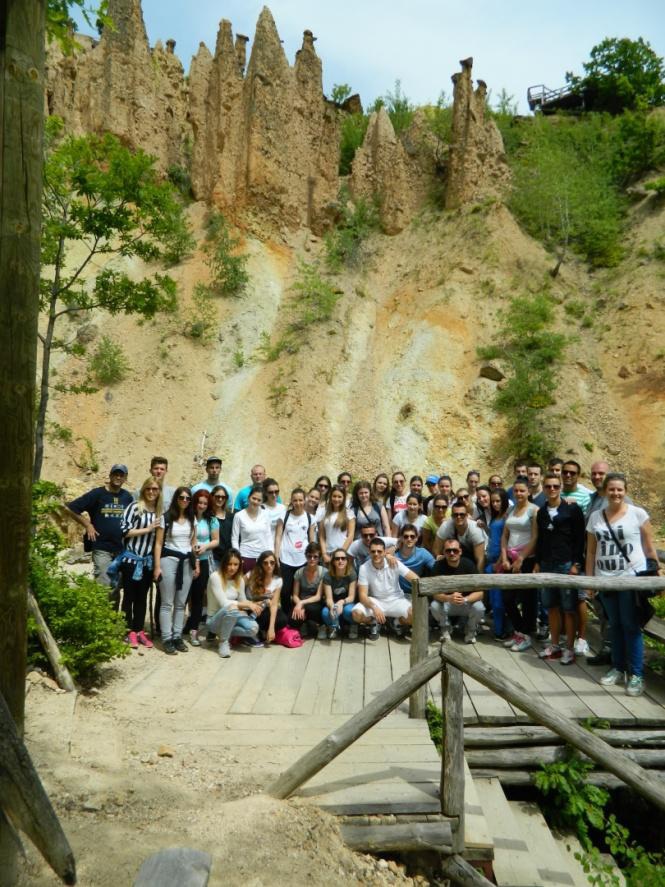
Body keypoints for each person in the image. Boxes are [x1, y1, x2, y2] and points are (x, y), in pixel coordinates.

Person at [586, 473, 659, 697]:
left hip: (630, 577)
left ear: (625, 491)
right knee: (613, 625)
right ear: (605, 491)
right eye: (612, 490)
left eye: (620, 490)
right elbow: (590, 551)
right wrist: (590, 580)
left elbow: (649, 547)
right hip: (605, 578)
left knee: (631, 626)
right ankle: (618, 667)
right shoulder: (596, 517)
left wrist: (657, 571)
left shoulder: (637, 514)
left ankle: (636, 674)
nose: (616, 493)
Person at [64, 463, 134, 608]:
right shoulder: (97, 494)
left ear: (125, 478)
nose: (118, 477)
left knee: (115, 586)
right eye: (116, 474)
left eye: (121, 475)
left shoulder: (127, 497)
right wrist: (88, 525)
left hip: (121, 549)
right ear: (110, 475)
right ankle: (100, 618)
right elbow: (72, 508)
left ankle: (113, 621)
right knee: (104, 584)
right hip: (102, 547)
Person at [535, 473, 586, 665]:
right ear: (544, 488)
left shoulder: (572, 510)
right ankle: (555, 645)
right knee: (551, 607)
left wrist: (576, 564)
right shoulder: (541, 512)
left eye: (555, 486)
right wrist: (538, 562)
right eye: (548, 486)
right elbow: (540, 539)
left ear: (560, 487)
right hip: (547, 564)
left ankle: (570, 648)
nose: (552, 490)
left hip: (566, 564)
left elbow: (580, 539)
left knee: (569, 608)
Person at [153, 486, 198, 655]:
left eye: (187, 498)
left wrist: (197, 564)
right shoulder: (166, 518)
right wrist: (157, 567)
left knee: (181, 603)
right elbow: (158, 543)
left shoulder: (192, 519)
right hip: (168, 561)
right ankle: (166, 637)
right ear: (176, 499)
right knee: (167, 602)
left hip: (186, 562)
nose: (185, 501)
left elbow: (193, 544)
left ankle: (177, 636)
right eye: (182, 497)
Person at [118, 477, 161, 649]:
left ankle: (139, 629)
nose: (151, 492)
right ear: (144, 490)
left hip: (147, 563)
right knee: (129, 596)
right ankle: (127, 630)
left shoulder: (159, 512)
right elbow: (124, 531)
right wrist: (148, 529)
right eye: (149, 488)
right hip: (131, 560)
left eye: (155, 489)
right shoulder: (135, 507)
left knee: (142, 598)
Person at [499, 476, 538, 653]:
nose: (519, 493)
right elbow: (504, 535)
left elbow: (536, 537)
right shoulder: (511, 510)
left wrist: (521, 559)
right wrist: (505, 558)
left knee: (527, 598)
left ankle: (526, 634)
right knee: (507, 598)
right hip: (510, 557)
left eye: (522, 490)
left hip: (527, 559)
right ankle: (519, 631)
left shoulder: (534, 511)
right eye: (516, 490)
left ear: (529, 491)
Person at [352, 538, 417, 639]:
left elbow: (415, 579)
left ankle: (396, 622)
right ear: (369, 552)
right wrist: (374, 607)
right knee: (356, 614)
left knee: (416, 614)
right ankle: (374, 622)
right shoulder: (364, 568)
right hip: (376, 600)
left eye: (379, 551)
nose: (376, 554)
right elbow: (362, 595)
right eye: (373, 551)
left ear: (384, 552)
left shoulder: (394, 562)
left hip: (396, 599)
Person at [206, 548, 263, 656]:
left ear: (239, 565)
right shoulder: (215, 577)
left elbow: (243, 601)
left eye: (236, 564)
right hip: (214, 619)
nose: (232, 568)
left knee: (253, 629)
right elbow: (224, 603)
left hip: (232, 617)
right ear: (224, 564)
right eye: (229, 564)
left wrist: (254, 604)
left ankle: (224, 633)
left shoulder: (239, 580)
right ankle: (223, 642)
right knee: (232, 608)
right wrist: (247, 604)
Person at [184, 490, 219, 646]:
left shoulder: (211, 520)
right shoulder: (186, 517)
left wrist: (205, 547)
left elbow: (216, 540)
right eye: (200, 502)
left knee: (198, 597)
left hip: (203, 561)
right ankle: (181, 625)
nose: (202, 506)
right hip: (186, 560)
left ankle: (193, 630)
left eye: (205, 503)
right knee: (183, 596)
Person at [431, 541, 485, 643]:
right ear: (444, 552)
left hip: (466, 602)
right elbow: (434, 593)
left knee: (479, 607)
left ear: (460, 551)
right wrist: (448, 598)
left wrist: (465, 599)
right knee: (434, 606)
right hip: (447, 603)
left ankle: (470, 631)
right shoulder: (438, 566)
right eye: (448, 550)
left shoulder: (469, 564)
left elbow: (480, 593)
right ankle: (445, 629)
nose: (452, 553)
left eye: (455, 550)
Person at [274, 488, 315, 611]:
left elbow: (312, 539)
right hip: (286, 559)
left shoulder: (310, 518)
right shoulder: (284, 516)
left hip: (303, 560)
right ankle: (287, 617)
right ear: (291, 501)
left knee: (302, 592)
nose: (298, 503)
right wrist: (276, 556)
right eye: (295, 500)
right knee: (285, 591)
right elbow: (278, 536)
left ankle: (300, 617)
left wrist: (312, 558)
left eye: (300, 500)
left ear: (305, 500)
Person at [245, 551, 288, 645]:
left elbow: (274, 604)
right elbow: (238, 589)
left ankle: (263, 631)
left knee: (282, 619)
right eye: (265, 563)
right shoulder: (250, 575)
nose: (269, 565)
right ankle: (253, 631)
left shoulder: (278, 580)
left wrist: (271, 628)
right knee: (261, 613)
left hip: (266, 608)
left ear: (275, 564)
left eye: (272, 562)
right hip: (250, 608)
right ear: (261, 564)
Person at [484, 488, 510, 639]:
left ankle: (501, 631)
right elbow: (494, 536)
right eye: (493, 501)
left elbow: (505, 541)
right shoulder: (496, 516)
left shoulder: (507, 517)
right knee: (493, 599)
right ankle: (499, 629)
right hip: (491, 560)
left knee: (499, 600)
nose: (494, 504)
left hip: (499, 563)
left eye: (498, 501)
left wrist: (500, 561)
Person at [433, 502, 486, 571]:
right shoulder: (446, 526)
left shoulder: (475, 529)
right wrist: (440, 558)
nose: (459, 517)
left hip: (482, 553)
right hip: (459, 554)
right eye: (456, 515)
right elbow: (436, 550)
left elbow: (480, 559)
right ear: (452, 516)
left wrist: (478, 578)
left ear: (467, 515)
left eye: (462, 514)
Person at [231, 484, 273, 572]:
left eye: (259, 500)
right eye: (254, 498)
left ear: (262, 502)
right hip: (246, 557)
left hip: (263, 557)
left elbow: (269, 536)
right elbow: (234, 538)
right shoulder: (239, 516)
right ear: (249, 497)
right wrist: (238, 557)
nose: (256, 502)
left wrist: (271, 555)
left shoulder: (266, 514)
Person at [290, 542, 326, 638]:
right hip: (301, 601)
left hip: (316, 603)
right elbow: (295, 595)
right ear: (306, 556)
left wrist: (302, 604)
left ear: (319, 558)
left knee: (312, 609)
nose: (312, 559)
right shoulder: (299, 572)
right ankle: (304, 624)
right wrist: (299, 604)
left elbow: (318, 596)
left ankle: (322, 626)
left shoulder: (323, 572)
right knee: (293, 618)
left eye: (315, 557)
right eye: (309, 556)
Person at [322, 548, 358, 638]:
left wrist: (341, 602)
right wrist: (332, 606)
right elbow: (329, 598)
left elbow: (351, 597)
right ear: (333, 561)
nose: (340, 561)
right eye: (337, 559)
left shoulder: (352, 574)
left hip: (347, 603)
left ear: (347, 560)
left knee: (348, 611)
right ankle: (334, 627)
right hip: (333, 603)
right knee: (325, 613)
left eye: (343, 558)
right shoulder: (327, 576)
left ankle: (353, 626)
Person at [318, 484, 355, 564]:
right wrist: (324, 554)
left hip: (343, 554)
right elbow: (322, 536)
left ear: (343, 498)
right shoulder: (324, 513)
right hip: (328, 553)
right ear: (330, 497)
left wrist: (341, 554)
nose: (336, 499)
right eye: (334, 496)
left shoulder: (349, 513)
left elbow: (350, 536)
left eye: (339, 496)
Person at [395, 524, 435, 596]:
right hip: (399, 594)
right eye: (406, 536)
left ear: (416, 538)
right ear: (401, 538)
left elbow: (435, 568)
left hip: (417, 593)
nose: (409, 539)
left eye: (412, 536)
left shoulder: (423, 553)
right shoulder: (394, 555)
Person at [209, 484, 233, 566]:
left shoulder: (231, 516)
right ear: (212, 497)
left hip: (228, 559)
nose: (220, 499)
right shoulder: (207, 516)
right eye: (217, 496)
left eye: (223, 497)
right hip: (212, 558)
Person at [262, 478, 287, 543]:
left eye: (276, 491)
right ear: (265, 493)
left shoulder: (282, 508)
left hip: (279, 544)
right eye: (270, 492)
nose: (274, 495)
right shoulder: (261, 508)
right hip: (265, 545)